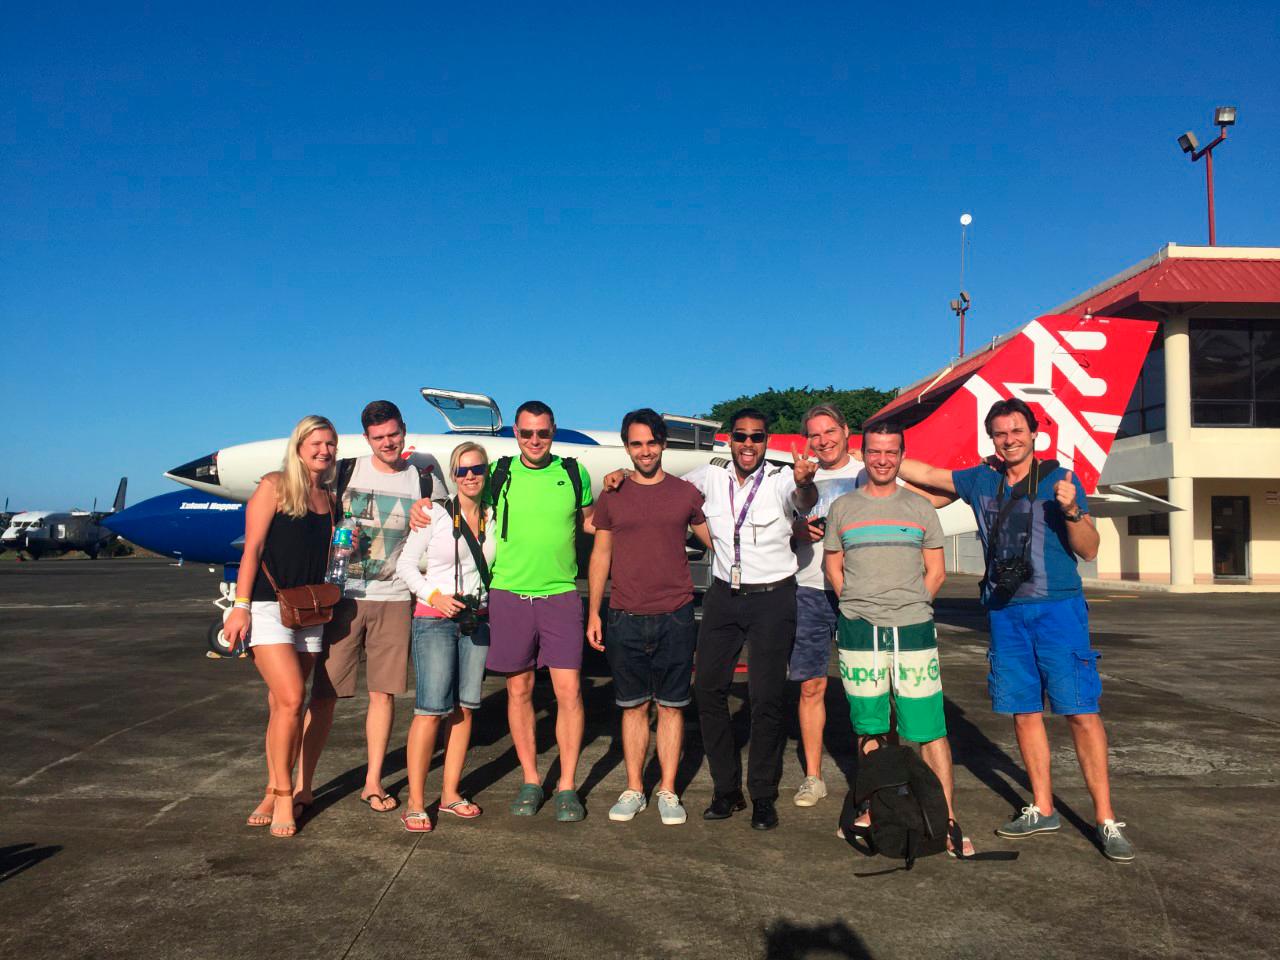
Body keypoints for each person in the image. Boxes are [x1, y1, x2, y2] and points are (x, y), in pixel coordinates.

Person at [896, 397, 1135, 861]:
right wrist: (868, 452)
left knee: (1081, 711)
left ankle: (1105, 818)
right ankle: (1042, 806)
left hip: (1058, 610)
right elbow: (927, 475)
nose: (1009, 440)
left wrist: (1072, 512)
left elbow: (1089, 550)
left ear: (1034, 434)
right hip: (1004, 612)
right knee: (1024, 712)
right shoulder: (981, 480)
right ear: (992, 439)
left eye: (1017, 431)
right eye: (1001, 433)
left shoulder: (1061, 480)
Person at [823, 420, 974, 856]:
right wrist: (853, 603)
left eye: (891, 452)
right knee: (871, 726)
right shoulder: (844, 509)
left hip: (912, 629)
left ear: (901, 456)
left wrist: (911, 608)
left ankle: (945, 819)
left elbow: (937, 570)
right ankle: (874, 807)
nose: (883, 460)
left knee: (928, 728)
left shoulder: (920, 508)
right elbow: (834, 566)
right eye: (875, 452)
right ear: (863, 454)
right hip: (858, 629)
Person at [681, 408, 817, 830]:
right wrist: (621, 479)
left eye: (757, 438)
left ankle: (762, 793)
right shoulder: (710, 474)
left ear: (765, 442)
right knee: (707, 690)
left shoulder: (780, 479)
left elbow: (802, 500)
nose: (748, 444)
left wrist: (805, 482)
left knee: (766, 697)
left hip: (772, 598)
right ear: (729, 439)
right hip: (724, 594)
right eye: (740, 436)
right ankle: (727, 790)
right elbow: (668, 494)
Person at [301, 400, 436, 815]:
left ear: (404, 431)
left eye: (393, 434)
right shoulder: (344, 471)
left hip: (396, 599)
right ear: (366, 439)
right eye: (379, 437)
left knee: (383, 694)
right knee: (324, 695)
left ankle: (373, 782)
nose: (387, 443)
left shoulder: (422, 477)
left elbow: (442, 528)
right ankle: (302, 787)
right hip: (344, 599)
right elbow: (311, 518)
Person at [586, 409, 712, 826]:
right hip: (624, 613)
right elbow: (601, 555)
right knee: (633, 706)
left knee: (673, 706)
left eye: (652, 442)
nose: (645, 451)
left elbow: (719, 541)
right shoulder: (613, 495)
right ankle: (635, 788)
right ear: (627, 447)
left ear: (663, 444)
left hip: (675, 613)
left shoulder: (685, 494)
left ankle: (669, 789)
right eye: (636, 444)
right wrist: (595, 612)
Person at [223, 415, 338, 838]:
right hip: (270, 608)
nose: (323, 450)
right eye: (316, 443)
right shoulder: (274, 485)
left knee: (281, 705)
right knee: (292, 699)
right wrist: (240, 606)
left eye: (329, 444)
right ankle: (286, 797)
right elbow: (250, 549)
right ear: (299, 444)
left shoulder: (328, 497)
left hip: (310, 610)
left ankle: (273, 788)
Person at [486, 400, 594, 821]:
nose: (535, 440)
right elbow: (472, 514)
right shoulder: (500, 473)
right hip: (509, 593)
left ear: (553, 432)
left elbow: (591, 521)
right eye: (527, 432)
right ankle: (531, 779)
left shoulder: (573, 471)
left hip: (561, 595)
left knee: (569, 692)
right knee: (519, 691)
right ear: (515, 432)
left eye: (543, 433)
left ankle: (567, 785)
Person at [394, 442, 495, 832]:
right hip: (434, 619)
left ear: (486, 472)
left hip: (476, 619)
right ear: (452, 475)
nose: (470, 476)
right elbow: (405, 564)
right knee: (430, 711)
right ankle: (417, 802)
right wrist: (434, 596)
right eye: (462, 470)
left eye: (477, 469)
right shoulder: (435, 513)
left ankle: (451, 793)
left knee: (466, 708)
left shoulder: (493, 515)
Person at [786, 404, 865, 809]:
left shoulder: (870, 472)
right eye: (815, 435)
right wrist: (796, 529)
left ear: (846, 430)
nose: (823, 440)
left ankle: (872, 778)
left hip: (860, 591)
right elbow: (780, 527)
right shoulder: (798, 477)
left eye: (830, 431)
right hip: (809, 589)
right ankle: (813, 776)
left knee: (868, 688)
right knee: (811, 685)